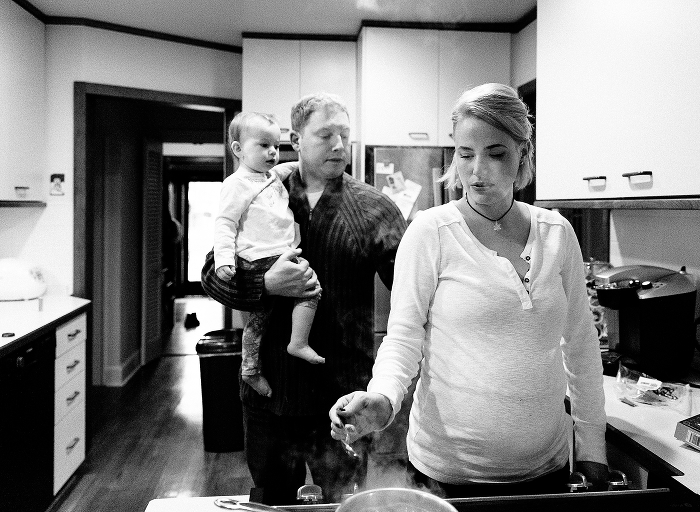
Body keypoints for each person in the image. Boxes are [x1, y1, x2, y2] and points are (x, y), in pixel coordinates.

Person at [329, 83, 610, 497]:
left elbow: (582, 347)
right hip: (449, 476)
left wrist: (593, 449)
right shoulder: (431, 232)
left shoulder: (557, 234)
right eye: (466, 154)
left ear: (523, 155)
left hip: (545, 471)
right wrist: (383, 399)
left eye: (496, 153)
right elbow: (403, 337)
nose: (477, 171)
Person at [200, 92, 407, 504]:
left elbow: (410, 295)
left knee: (345, 503)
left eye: (345, 136)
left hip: (344, 399)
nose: (338, 146)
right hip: (268, 395)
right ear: (296, 139)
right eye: (325, 135)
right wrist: (265, 284)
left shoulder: (375, 209)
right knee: (270, 501)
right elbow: (212, 277)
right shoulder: (260, 190)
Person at [214, 111, 323, 398]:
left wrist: (307, 161)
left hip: (283, 255)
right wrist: (224, 259)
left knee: (311, 291)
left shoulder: (270, 177)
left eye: (275, 145)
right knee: (259, 320)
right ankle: (249, 370)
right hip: (258, 260)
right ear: (238, 150)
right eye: (263, 145)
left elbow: (287, 168)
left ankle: (297, 342)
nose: (272, 151)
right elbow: (225, 223)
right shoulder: (236, 184)